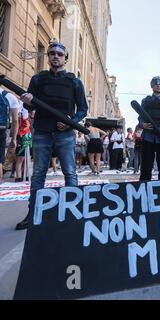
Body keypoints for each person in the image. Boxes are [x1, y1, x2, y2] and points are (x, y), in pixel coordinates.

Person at [16, 40, 88, 230]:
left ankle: (73, 215)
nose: (55, 56)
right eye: (52, 53)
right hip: (42, 131)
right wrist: (27, 101)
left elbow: (83, 109)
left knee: (70, 173)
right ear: (48, 57)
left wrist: (70, 120)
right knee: (39, 173)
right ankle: (33, 214)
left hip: (65, 134)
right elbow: (28, 104)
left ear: (65, 58)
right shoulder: (38, 80)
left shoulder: (74, 81)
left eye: (59, 54)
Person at [0, 88, 19, 181]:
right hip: (1, 130)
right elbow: (15, 120)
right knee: (0, 161)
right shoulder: (10, 96)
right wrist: (14, 138)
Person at [14, 104, 32, 182]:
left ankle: (24, 176)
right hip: (23, 137)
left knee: (26, 158)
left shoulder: (26, 118)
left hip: (27, 137)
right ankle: (19, 177)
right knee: (21, 159)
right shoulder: (21, 118)